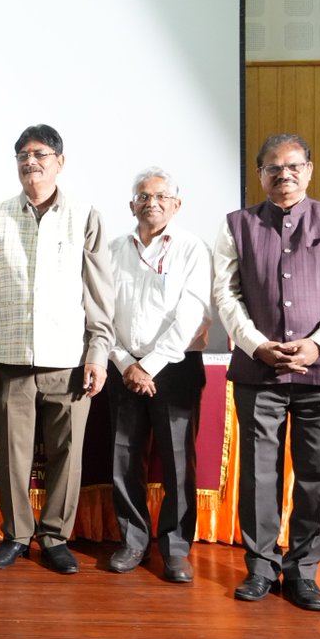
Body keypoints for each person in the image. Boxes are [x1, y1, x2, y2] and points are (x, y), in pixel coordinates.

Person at [213, 133, 320, 611]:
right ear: (259, 174)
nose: (283, 175)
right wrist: (257, 344)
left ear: (309, 169)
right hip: (257, 372)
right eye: (272, 168)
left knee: (317, 478)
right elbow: (226, 295)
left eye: (293, 166)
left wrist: (318, 343)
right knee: (259, 476)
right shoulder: (235, 225)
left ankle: (303, 572)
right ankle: (260, 568)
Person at [0, 124, 114, 575]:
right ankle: (16, 535)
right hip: (10, 357)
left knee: (68, 454)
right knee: (13, 454)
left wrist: (98, 351)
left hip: (69, 360)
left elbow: (99, 292)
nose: (31, 161)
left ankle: (54, 537)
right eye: (23, 155)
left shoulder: (85, 215)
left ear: (60, 162)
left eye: (41, 154)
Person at [106, 167, 211, 582]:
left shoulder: (191, 248)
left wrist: (148, 366)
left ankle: (175, 549)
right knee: (123, 458)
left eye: (161, 196)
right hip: (123, 367)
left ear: (177, 204)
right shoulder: (112, 249)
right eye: (143, 197)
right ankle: (132, 542)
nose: (152, 203)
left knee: (177, 463)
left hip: (175, 369)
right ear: (131, 204)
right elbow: (100, 313)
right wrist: (125, 363)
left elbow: (192, 314)